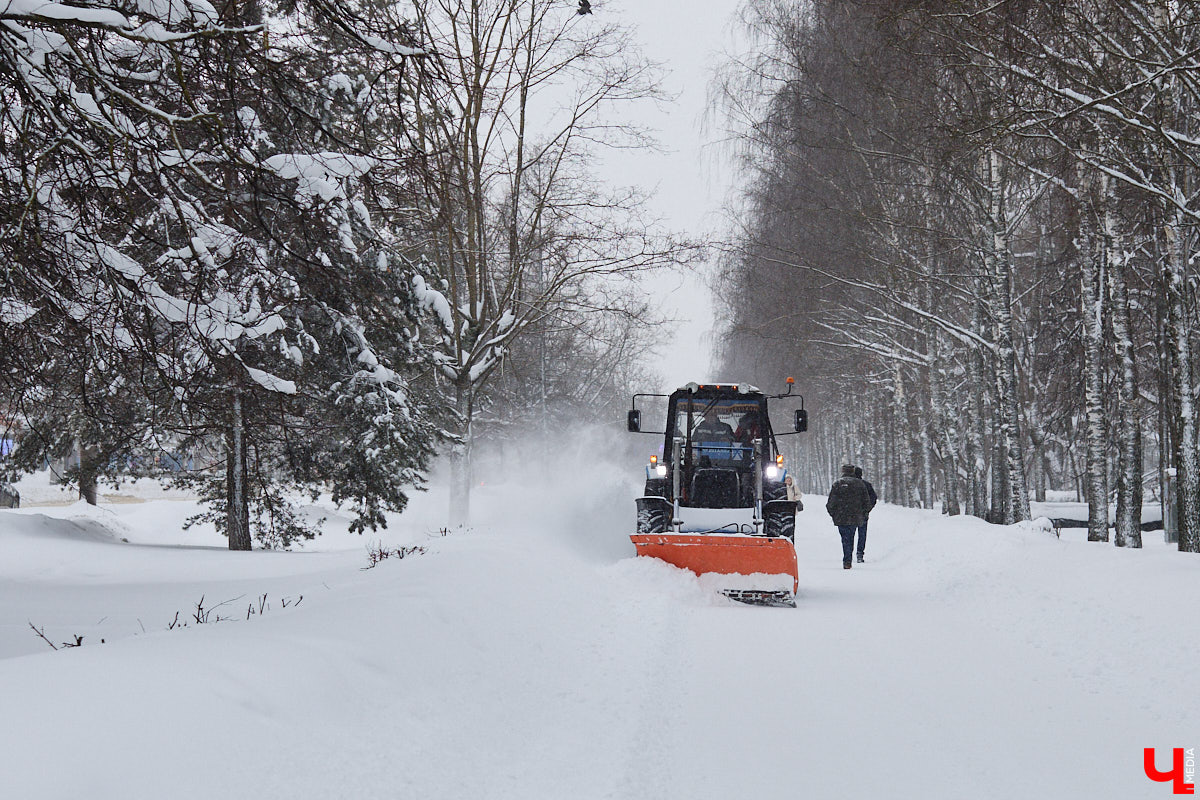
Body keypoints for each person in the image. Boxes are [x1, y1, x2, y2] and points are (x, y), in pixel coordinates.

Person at [825, 464, 872, 569]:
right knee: (851, 536)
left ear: (843, 471)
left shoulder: (838, 484)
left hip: (841, 517)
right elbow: (867, 503)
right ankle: (848, 558)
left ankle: (847, 559)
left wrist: (834, 515)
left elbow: (830, 504)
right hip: (855, 516)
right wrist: (863, 513)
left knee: (845, 538)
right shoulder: (860, 484)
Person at [853, 466, 877, 563]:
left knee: (850, 534)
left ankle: (848, 553)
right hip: (863, 513)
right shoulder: (866, 485)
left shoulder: (850, 485)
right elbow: (873, 498)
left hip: (851, 513)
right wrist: (867, 509)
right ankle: (860, 553)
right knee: (862, 534)